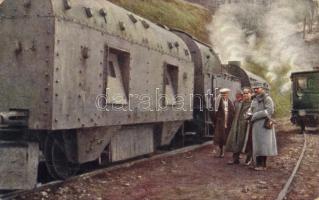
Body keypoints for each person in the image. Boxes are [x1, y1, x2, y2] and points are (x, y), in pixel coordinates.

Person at [249, 83, 278, 170]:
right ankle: (257, 164)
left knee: (263, 145)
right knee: (257, 145)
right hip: (256, 126)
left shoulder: (267, 98)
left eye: (257, 88)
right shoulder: (254, 99)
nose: (255, 90)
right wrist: (248, 114)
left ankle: (263, 165)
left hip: (264, 125)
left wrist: (255, 115)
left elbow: (270, 110)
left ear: (263, 89)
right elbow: (251, 109)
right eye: (254, 88)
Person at [226, 88, 252, 164]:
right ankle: (235, 158)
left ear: (251, 93)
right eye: (244, 93)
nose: (245, 95)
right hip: (238, 124)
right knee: (236, 140)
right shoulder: (240, 102)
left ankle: (248, 158)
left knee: (248, 142)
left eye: (247, 93)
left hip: (247, 125)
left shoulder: (253, 103)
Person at [213, 88, 235, 158]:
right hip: (220, 122)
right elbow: (214, 112)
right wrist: (217, 120)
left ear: (227, 94)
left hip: (228, 121)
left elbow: (233, 111)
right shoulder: (218, 101)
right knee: (220, 137)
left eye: (225, 94)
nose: (224, 95)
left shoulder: (230, 102)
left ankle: (225, 151)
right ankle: (220, 152)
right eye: (223, 94)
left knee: (226, 136)